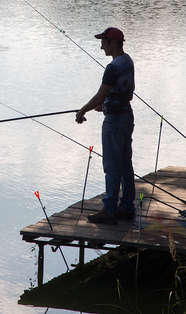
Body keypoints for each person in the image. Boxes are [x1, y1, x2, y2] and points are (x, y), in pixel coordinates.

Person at [76, 27, 136, 224]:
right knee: (126, 164)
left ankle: (110, 210)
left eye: (104, 42)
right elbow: (127, 91)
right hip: (127, 117)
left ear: (113, 43)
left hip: (114, 122)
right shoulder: (127, 61)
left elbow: (100, 95)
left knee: (111, 166)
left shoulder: (112, 68)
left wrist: (82, 110)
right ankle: (127, 208)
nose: (101, 46)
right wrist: (108, 103)